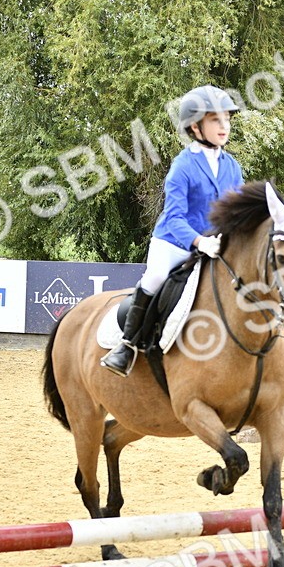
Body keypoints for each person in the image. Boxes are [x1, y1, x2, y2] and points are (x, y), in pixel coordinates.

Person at [101, 85, 243, 377]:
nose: (224, 126)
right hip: (175, 242)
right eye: (216, 120)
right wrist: (199, 242)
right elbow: (175, 217)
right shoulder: (182, 166)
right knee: (154, 278)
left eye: (227, 119)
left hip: (216, 244)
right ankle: (127, 345)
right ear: (195, 125)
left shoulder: (233, 167)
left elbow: (237, 211)